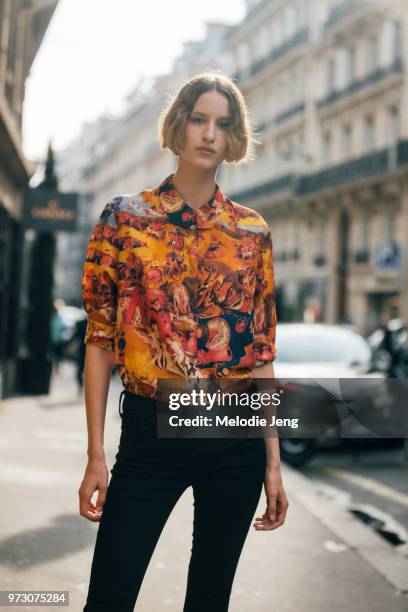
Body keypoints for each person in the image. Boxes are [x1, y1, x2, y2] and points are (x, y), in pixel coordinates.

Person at [79, 72, 289, 611]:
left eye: (222, 123)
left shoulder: (253, 233)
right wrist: (96, 454)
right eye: (198, 119)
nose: (209, 133)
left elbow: (261, 350)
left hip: (236, 437)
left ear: (235, 137)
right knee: (109, 596)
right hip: (152, 434)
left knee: (209, 601)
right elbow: (101, 340)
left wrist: (272, 461)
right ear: (177, 125)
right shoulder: (125, 219)